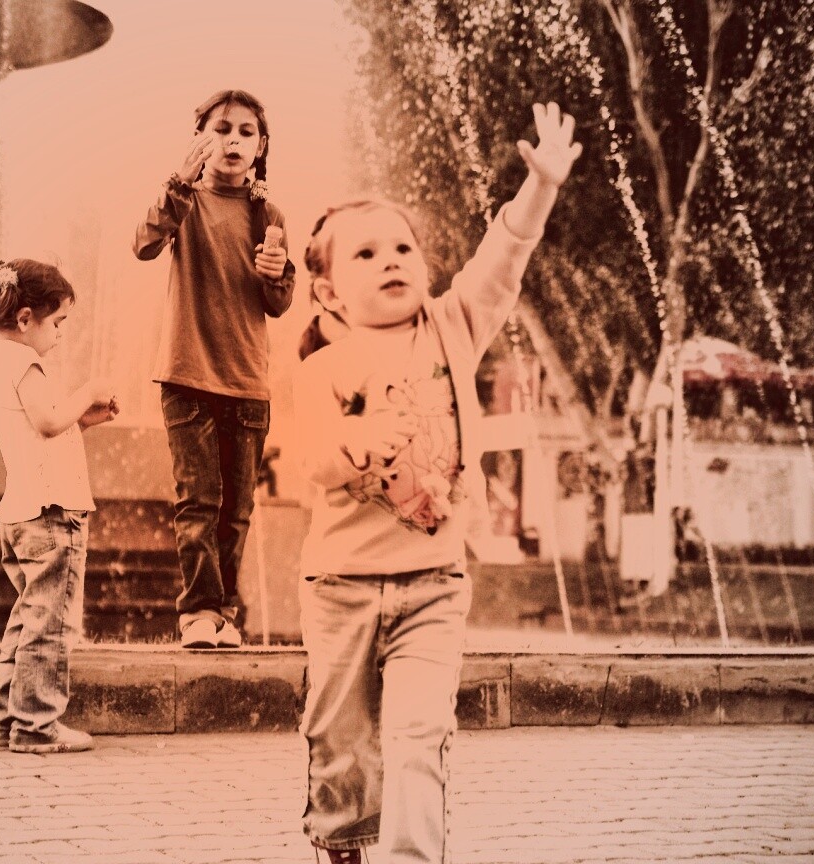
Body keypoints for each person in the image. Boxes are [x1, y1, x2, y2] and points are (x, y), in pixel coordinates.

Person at [292, 102, 582, 863]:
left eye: (402, 248)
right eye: (364, 254)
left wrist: (542, 186)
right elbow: (310, 462)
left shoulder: (453, 327)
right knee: (341, 749)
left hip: (434, 584)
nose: (391, 261)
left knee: (418, 737)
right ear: (327, 292)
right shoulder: (321, 370)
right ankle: (342, 844)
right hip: (340, 587)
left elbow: (503, 257)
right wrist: (357, 444)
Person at [133, 89, 296, 649]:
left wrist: (277, 274)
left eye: (246, 132)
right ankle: (197, 612)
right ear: (200, 139)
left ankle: (224, 613)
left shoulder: (268, 214)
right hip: (187, 375)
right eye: (221, 129)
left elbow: (278, 303)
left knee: (238, 509)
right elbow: (144, 244)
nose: (233, 140)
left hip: (248, 380)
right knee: (198, 500)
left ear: (261, 146)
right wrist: (177, 183)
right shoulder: (187, 201)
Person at [0, 258, 119, 754]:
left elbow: (44, 428)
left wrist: (85, 419)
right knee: (52, 623)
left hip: (22, 511)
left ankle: (5, 719)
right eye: (57, 322)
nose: (60, 334)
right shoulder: (25, 362)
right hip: (52, 513)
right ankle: (37, 725)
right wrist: (89, 392)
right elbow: (48, 421)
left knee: (27, 619)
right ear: (25, 319)